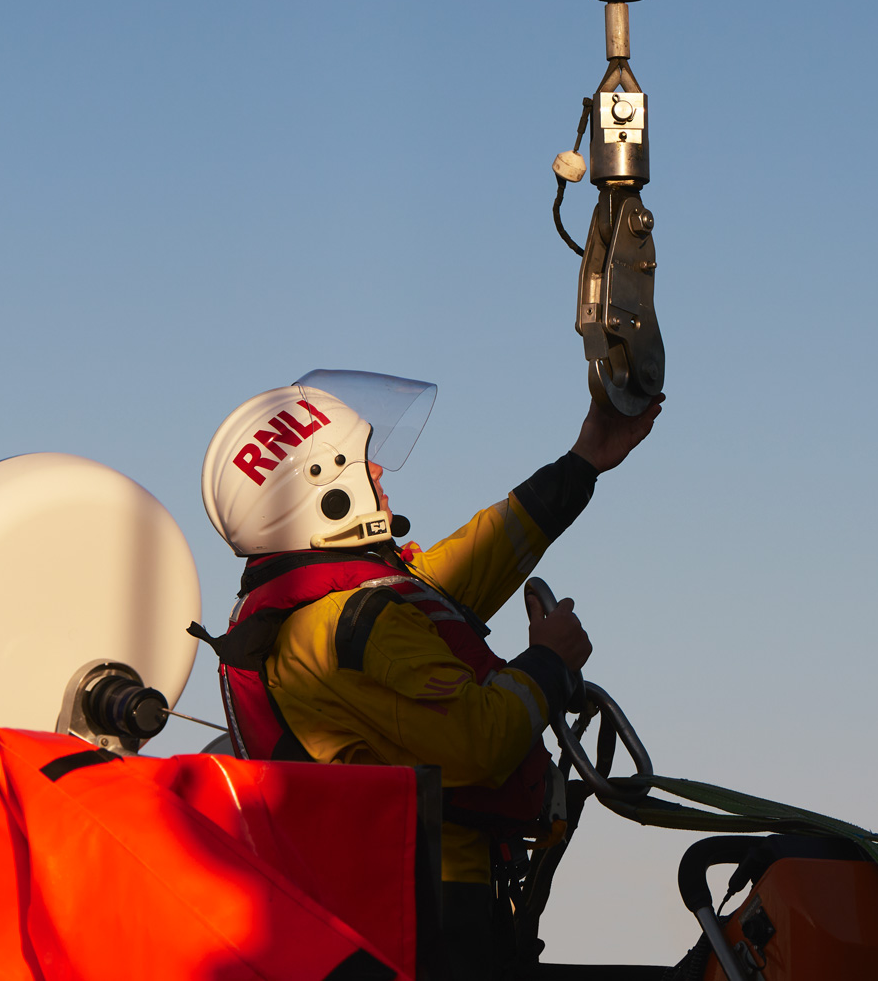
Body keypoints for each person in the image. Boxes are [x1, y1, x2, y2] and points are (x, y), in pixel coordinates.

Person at [195, 372, 661, 980]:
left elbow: (481, 551)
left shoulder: (327, 611)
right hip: (437, 919)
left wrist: (584, 461)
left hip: (404, 910)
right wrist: (551, 661)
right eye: (361, 462)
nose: (378, 472)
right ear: (324, 491)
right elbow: (479, 742)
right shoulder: (354, 624)